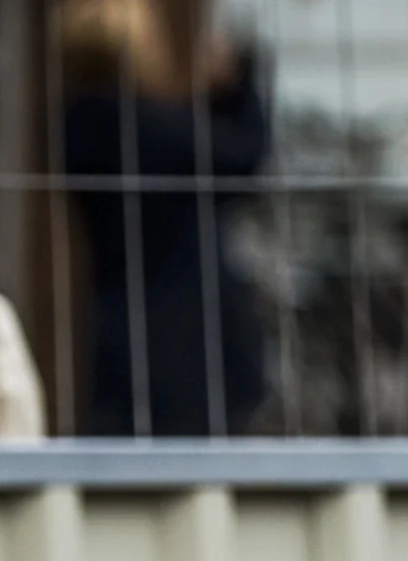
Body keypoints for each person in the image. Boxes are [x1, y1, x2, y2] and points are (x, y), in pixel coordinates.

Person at [54, 0, 275, 437]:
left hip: (129, 326)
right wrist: (237, 84)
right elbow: (239, 157)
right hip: (183, 340)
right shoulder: (130, 124)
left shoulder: (83, 123)